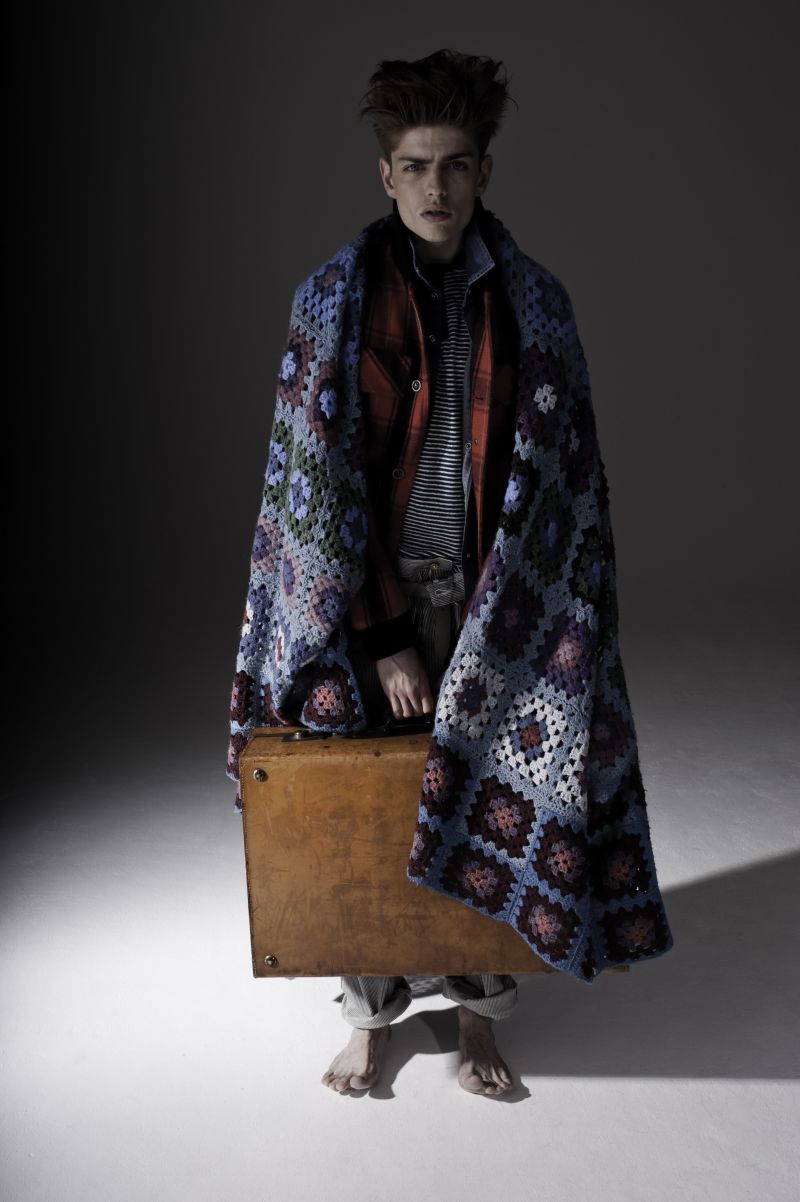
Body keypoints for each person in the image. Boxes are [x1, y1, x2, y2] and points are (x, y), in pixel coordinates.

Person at [320, 49, 520, 1096]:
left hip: (489, 604)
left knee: (492, 799)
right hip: (381, 606)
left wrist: (511, 620)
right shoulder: (339, 301)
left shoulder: (526, 302)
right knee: (367, 812)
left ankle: (480, 1013)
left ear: (482, 171)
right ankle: (371, 1015)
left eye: (453, 165)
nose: (435, 187)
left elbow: (558, 484)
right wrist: (385, 633)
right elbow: (324, 489)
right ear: (385, 175)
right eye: (414, 165)